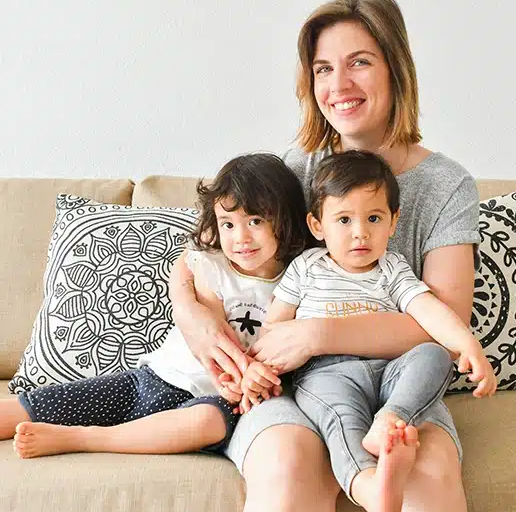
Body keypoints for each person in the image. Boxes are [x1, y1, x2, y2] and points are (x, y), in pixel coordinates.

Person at [170, 0, 483, 512]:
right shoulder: (297, 168)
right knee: (289, 463)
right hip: (296, 388)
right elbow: (200, 251)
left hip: (402, 385)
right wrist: (193, 315)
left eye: (359, 62)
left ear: (395, 69)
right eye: (323, 69)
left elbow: (445, 325)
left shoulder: (445, 185)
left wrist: (315, 333)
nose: (338, 85)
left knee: (426, 474)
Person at [0, 153, 309, 459]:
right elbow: (215, 334)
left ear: (286, 219)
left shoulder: (298, 278)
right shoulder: (211, 266)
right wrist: (243, 372)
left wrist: (254, 379)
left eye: (255, 221)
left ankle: (83, 437)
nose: (240, 237)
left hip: (214, 399)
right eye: (227, 224)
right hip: (156, 378)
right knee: (43, 404)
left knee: (207, 423)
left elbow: (283, 344)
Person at [241, 151, 495, 512]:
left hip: (391, 370)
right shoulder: (306, 268)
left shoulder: (393, 267)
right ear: (317, 226)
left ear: (394, 223)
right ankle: (371, 488)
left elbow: (428, 311)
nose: (360, 232)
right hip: (327, 373)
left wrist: (468, 345)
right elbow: (274, 330)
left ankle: (394, 418)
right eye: (343, 219)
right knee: (340, 422)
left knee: (434, 354)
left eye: (373, 218)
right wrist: (258, 370)